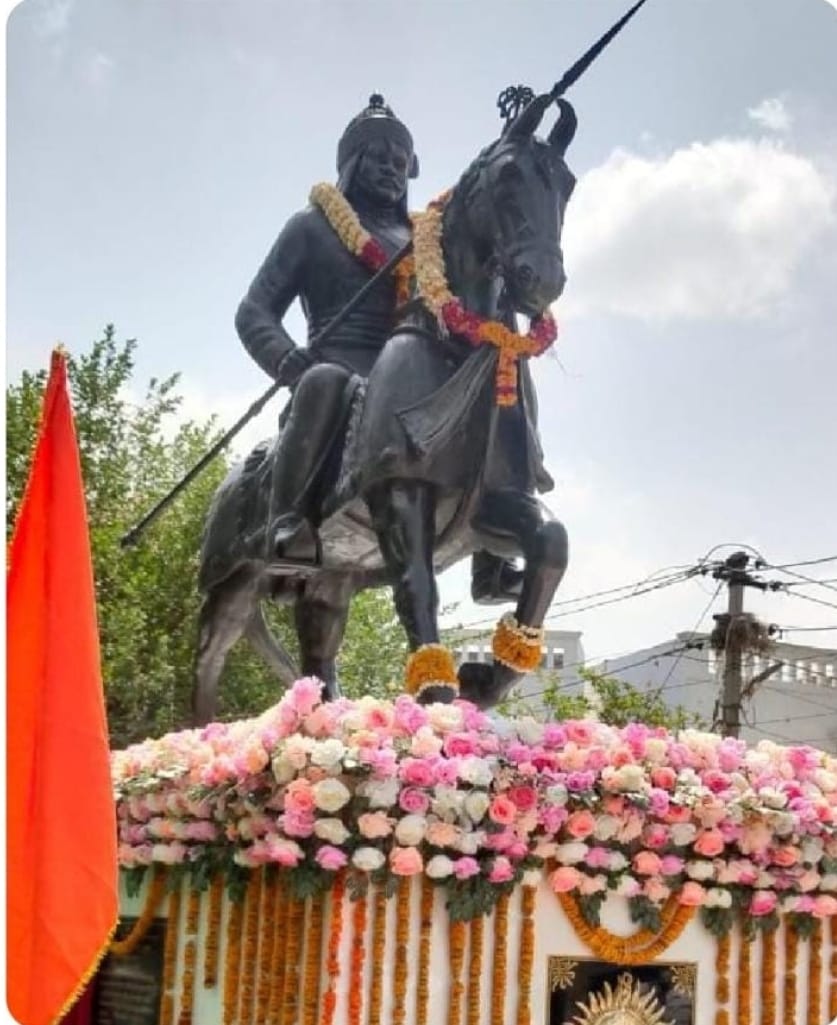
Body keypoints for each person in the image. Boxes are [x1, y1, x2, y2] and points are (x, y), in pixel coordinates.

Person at [235, 94, 521, 602]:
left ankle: (494, 552)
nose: (390, 169)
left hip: (412, 374)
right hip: (339, 365)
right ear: (351, 164)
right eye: (378, 158)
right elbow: (253, 311)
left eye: (399, 162)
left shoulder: (425, 239)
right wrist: (285, 359)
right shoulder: (311, 226)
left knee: (491, 393)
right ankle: (288, 523)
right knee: (325, 383)